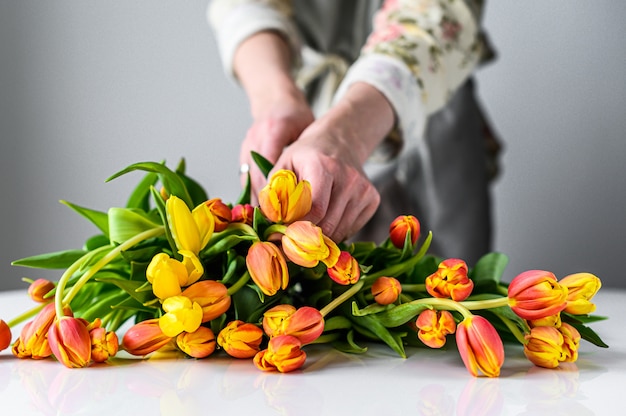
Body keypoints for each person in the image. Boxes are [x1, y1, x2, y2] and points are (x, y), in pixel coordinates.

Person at [207, 0, 500, 266]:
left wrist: (348, 133)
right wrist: (275, 99)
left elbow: (439, 10)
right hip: (306, 113)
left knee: (454, 293)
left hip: (426, 100)